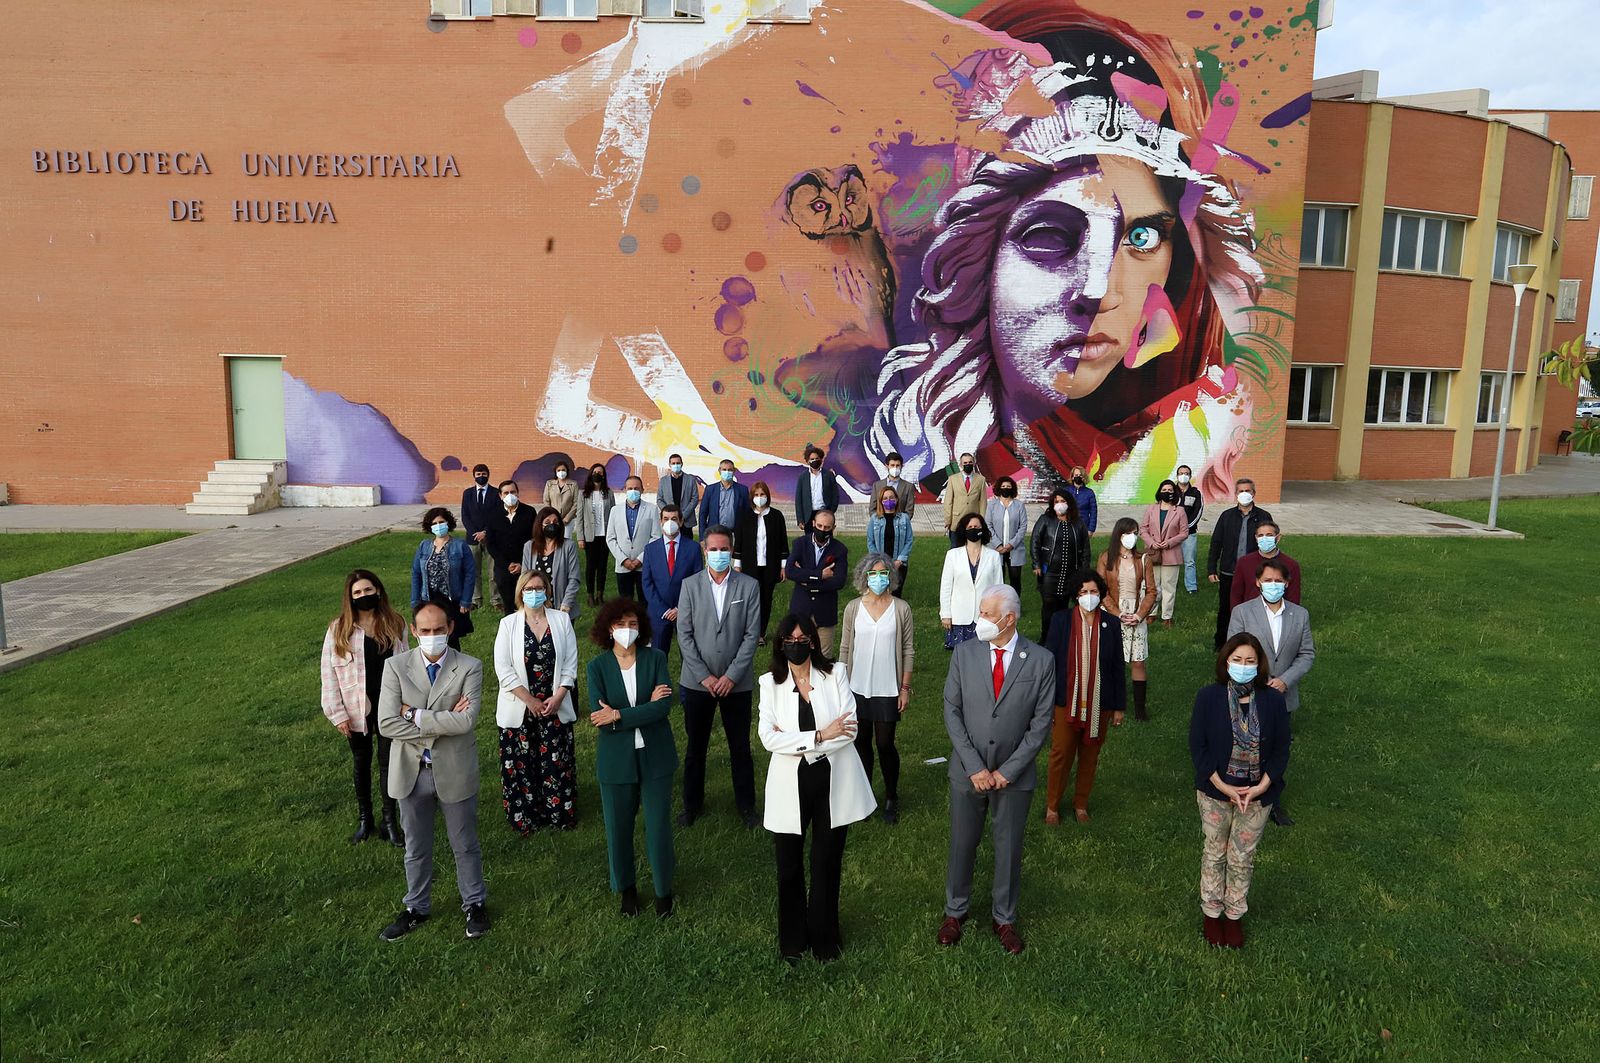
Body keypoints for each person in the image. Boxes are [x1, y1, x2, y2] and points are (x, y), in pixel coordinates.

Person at [861, 5, 1265, 492]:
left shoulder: (1184, 446)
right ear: (973, 263)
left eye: (1142, 237)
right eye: (1049, 237)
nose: (1098, 291)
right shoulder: (926, 470)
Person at [937, 585, 1055, 955]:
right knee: (962, 843)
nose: (980, 620)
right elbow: (951, 711)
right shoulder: (964, 653)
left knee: (1008, 847)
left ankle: (1004, 918)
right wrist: (975, 767)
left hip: (1013, 778)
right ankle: (955, 911)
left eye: (987, 614)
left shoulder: (1040, 660)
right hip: (967, 773)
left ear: (1009, 619)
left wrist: (1009, 771)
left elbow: (1041, 724)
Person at [759, 613, 875, 963]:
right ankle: (793, 941)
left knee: (826, 860)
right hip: (789, 783)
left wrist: (794, 741)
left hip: (832, 778)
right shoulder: (770, 683)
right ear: (781, 644)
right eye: (790, 639)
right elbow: (767, 738)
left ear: (813, 641)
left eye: (803, 638)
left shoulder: (835, 674)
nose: (797, 644)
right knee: (788, 864)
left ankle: (826, 940)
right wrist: (822, 735)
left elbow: (851, 730)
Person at [376, 602, 488, 941]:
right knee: (416, 845)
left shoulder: (470, 666)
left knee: (465, 843)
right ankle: (416, 907)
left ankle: (475, 904)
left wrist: (414, 715)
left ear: (451, 628)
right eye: (424, 631)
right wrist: (442, 720)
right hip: (411, 772)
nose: (432, 636)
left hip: (454, 768)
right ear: (413, 631)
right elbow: (385, 722)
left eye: (439, 630)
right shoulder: (395, 667)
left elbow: (467, 721)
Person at [1189, 632, 1291, 949]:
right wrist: (1223, 786)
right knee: (1215, 852)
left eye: (1250, 661)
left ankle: (1234, 916)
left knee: (1242, 857)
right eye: (1237, 660)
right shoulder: (1208, 697)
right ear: (1226, 662)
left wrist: (1262, 785)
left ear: (1258, 664)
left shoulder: (1273, 701)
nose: (1243, 666)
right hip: (1216, 791)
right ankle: (1211, 913)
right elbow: (1198, 746)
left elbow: (1280, 750)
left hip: (1257, 795)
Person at [587, 597, 678, 918]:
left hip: (657, 757)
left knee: (658, 827)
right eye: (620, 624)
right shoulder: (596, 667)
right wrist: (639, 710)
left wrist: (619, 716)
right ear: (608, 629)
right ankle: (626, 889)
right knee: (618, 828)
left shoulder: (656, 659)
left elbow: (663, 707)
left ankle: (663, 891)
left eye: (633, 624)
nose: (627, 630)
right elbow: (600, 717)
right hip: (616, 761)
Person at [675, 525, 763, 828]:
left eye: (724, 549)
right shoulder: (689, 586)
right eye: (713, 549)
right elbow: (684, 635)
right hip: (697, 682)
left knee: (740, 747)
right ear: (704, 550)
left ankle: (747, 807)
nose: (719, 554)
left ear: (732, 550)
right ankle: (692, 805)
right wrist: (706, 678)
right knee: (695, 748)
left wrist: (730, 676)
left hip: (736, 684)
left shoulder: (749, 586)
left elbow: (752, 636)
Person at [321, 569, 409, 847]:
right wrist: (337, 714)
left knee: (387, 763)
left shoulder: (395, 623)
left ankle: (389, 820)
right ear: (350, 597)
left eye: (368, 590)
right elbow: (329, 673)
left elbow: (406, 666)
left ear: (379, 591)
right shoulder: (339, 629)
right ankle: (365, 820)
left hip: (389, 705)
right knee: (361, 762)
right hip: (354, 706)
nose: (363, 596)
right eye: (357, 593)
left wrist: (407, 705)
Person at [1226, 558, 1314, 826]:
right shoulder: (1243, 612)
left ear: (1286, 584)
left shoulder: (1300, 615)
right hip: (1248, 691)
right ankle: (1238, 793)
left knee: (1276, 748)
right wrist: (1260, 679)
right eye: (1267, 581)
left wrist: (1285, 680)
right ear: (1257, 582)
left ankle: (1273, 801)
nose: (1273, 585)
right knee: (1243, 745)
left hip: (1283, 696)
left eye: (1278, 581)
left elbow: (1306, 654)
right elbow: (1232, 650)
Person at [492, 569, 580, 835]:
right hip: (521, 705)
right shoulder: (508, 624)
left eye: (539, 588)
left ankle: (559, 812)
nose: (534, 593)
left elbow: (570, 663)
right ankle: (526, 816)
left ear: (547, 591)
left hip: (554, 704)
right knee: (522, 763)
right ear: (520, 593)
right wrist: (529, 701)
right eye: (528, 589)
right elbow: (503, 668)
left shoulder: (562, 620)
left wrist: (559, 696)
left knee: (556, 762)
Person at [1043, 569, 1126, 823]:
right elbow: (1050, 661)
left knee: (1090, 755)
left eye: (1093, 592)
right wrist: (1046, 701)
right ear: (1075, 595)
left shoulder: (1111, 624)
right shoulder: (1061, 620)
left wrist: (1119, 706)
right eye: (1083, 593)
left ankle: (1081, 804)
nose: (1088, 596)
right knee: (1061, 753)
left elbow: (1116, 667)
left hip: (1100, 703)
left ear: (1100, 593)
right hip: (1066, 701)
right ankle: (1053, 806)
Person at [838, 555, 914, 823]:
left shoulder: (901, 608)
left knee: (884, 743)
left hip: (888, 687)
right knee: (861, 744)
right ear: (864, 576)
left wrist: (904, 688)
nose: (879, 578)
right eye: (873, 574)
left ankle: (891, 796)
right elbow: (845, 648)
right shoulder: (853, 608)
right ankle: (865, 795)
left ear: (890, 577)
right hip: (857, 686)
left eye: (883, 574)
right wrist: (841, 685)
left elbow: (907, 650)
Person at [1098, 518, 1155, 722]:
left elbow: (1151, 591)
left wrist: (1140, 615)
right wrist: (1118, 613)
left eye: (1135, 532)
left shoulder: (1143, 559)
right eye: (1128, 532)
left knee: (1138, 662)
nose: (1133, 536)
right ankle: (1117, 707)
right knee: (1116, 662)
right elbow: (1101, 590)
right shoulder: (1106, 558)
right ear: (1119, 534)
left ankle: (1140, 709)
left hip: (1137, 612)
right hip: (1115, 613)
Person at [1207, 478, 1274, 650]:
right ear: (1235, 494)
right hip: (1230, 571)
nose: (1244, 494)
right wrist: (1212, 567)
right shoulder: (1227, 516)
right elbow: (1216, 542)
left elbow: (1270, 543)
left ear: (1254, 494)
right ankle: (1222, 642)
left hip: (1255, 573)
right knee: (1226, 609)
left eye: (1248, 491)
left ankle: (1255, 641)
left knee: (1256, 608)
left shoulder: (1264, 516)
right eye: (1241, 491)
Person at [641, 503, 704, 655]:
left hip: (686, 611)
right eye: (666, 519)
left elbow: (698, 581)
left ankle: (687, 680)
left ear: (681, 522)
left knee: (689, 654)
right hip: (658, 612)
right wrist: (663, 609)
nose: (670, 523)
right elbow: (647, 583)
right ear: (661, 522)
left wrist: (680, 608)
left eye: (674, 519)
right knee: (658, 655)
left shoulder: (693, 548)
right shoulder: (650, 549)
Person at [410, 507, 477, 649]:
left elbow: (470, 574)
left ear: (448, 523)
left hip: (452, 600)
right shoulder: (424, 546)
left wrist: (466, 601)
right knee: (431, 639)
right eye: (434, 524)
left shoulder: (460, 546)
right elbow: (416, 573)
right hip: (429, 599)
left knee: (451, 639)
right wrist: (415, 601)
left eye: (441, 522)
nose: (438, 526)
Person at [785, 509, 849, 654]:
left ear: (833, 527)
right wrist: (819, 575)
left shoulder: (840, 550)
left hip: (825, 612)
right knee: (797, 654)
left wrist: (807, 581)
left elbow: (839, 581)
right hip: (801, 609)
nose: (822, 530)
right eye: (819, 526)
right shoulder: (800, 544)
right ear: (813, 523)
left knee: (823, 659)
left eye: (827, 527)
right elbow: (789, 571)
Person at [1031, 488, 1091, 643]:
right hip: (1050, 572)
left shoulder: (1078, 523)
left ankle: (1061, 639)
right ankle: (1045, 639)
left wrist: (1084, 572)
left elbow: (1085, 549)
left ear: (1069, 503)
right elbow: (1035, 541)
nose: (1060, 504)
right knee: (1048, 607)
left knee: (1063, 608)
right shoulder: (1045, 519)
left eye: (1063, 501)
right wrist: (1036, 564)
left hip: (1071, 573)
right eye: (1056, 501)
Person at [734, 483, 789, 645]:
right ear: (752, 497)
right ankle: (748, 632)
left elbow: (783, 542)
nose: (759, 498)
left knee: (765, 600)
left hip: (770, 565)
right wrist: (737, 564)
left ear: (767, 496)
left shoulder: (777, 516)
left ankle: (760, 634)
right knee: (750, 600)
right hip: (750, 565)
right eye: (756, 495)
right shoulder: (744, 516)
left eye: (762, 494)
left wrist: (783, 565)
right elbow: (739, 542)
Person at [940, 512, 1004, 650]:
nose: (974, 529)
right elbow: (946, 587)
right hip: (959, 616)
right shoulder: (952, 555)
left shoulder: (993, 556)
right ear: (964, 530)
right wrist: (945, 614)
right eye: (970, 527)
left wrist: (998, 615)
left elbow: (998, 588)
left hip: (984, 617)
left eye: (977, 526)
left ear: (983, 529)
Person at [1139, 479, 1189, 628]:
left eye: (1170, 490)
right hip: (1153, 552)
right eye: (1164, 490)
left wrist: (1169, 542)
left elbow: (1184, 532)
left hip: (1171, 553)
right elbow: (1143, 529)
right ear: (1159, 491)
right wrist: (1151, 543)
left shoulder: (1179, 511)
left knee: (1169, 586)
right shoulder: (1151, 509)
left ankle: (1167, 616)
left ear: (1174, 492)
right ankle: (1151, 613)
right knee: (1153, 585)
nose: (1167, 492)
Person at [483, 479, 537, 618]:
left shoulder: (529, 512)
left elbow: (534, 540)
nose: (510, 495)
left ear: (518, 493)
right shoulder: (492, 514)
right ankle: (511, 633)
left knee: (527, 603)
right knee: (509, 605)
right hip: (503, 567)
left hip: (525, 566)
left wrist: (522, 564)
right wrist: (507, 564)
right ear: (500, 496)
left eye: (512, 492)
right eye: (506, 493)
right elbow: (491, 544)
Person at [519, 506, 582, 620]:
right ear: (540, 526)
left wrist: (566, 604)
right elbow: (525, 577)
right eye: (547, 522)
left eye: (555, 522)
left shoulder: (569, 546)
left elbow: (574, 578)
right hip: (536, 605)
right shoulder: (529, 546)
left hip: (562, 607)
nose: (552, 525)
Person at [606, 475, 660, 603]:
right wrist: (623, 559)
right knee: (625, 601)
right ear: (625, 489)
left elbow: (656, 536)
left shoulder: (652, 509)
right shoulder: (615, 511)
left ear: (642, 490)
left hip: (643, 564)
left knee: (645, 600)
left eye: (636, 488)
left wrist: (639, 560)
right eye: (630, 488)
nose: (633, 491)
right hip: (623, 565)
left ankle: (645, 623)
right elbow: (610, 538)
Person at [1228, 521, 1302, 610]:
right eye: (1260, 535)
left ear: (1278, 538)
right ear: (1256, 538)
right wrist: (1237, 615)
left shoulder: (1291, 565)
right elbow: (1236, 593)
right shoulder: (1244, 562)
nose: (1264, 538)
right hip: (1250, 614)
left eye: (1269, 535)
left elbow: (1293, 597)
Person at [460, 463, 499, 612]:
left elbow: (497, 516)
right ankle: (476, 599)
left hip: (491, 538)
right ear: (474, 476)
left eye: (483, 474)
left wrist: (486, 532)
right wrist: (474, 533)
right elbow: (465, 516)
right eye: (478, 474)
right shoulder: (467, 493)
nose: (481, 476)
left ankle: (496, 600)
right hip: (472, 539)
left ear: (488, 475)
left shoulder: (496, 493)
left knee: (493, 571)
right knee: (473, 572)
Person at [865, 484, 914, 598]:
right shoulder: (875, 519)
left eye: (892, 497)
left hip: (899, 564)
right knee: (880, 594)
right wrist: (879, 561)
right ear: (881, 501)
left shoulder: (904, 518)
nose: (889, 501)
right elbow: (870, 541)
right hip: (879, 563)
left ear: (896, 499)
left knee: (896, 594)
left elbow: (909, 540)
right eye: (885, 498)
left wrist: (900, 560)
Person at [576, 465, 616, 606]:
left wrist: (614, 535)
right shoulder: (583, 494)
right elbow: (579, 516)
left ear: (604, 475)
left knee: (602, 566)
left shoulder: (609, 493)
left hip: (605, 535)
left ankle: (600, 594)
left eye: (600, 472)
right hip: (590, 536)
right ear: (590, 474)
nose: (597, 474)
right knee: (591, 566)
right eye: (595, 472)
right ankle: (590, 595)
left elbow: (613, 515)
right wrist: (580, 537)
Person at [985, 475, 1029, 593]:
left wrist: (1011, 544)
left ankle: (1014, 607)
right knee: (998, 580)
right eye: (1003, 486)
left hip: (1015, 549)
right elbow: (988, 526)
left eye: (1008, 486)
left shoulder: (1019, 505)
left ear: (1012, 489)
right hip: (996, 549)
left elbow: (1023, 526)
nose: (1006, 488)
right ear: (999, 488)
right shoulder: (991, 505)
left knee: (1015, 580)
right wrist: (998, 545)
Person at [942, 452, 988, 547]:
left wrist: (982, 520)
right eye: (965, 463)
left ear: (974, 463)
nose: (968, 464)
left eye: (970, 462)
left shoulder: (981, 479)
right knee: (955, 548)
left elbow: (983, 501)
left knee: (973, 547)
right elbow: (948, 501)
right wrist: (948, 520)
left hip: (973, 522)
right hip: (956, 521)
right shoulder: (952, 479)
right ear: (961, 464)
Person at [656, 454, 704, 541]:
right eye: (673, 463)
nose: (676, 465)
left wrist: (683, 515)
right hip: (669, 521)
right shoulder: (663, 481)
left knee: (687, 544)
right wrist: (669, 513)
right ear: (669, 465)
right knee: (670, 544)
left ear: (682, 464)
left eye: (678, 463)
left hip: (686, 520)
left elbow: (695, 498)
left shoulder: (690, 479)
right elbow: (659, 499)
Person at [698, 458, 751, 535]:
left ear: (734, 471)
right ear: (719, 471)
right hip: (714, 533)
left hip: (735, 534)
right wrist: (702, 536)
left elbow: (747, 513)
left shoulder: (742, 490)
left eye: (730, 470)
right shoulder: (710, 489)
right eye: (724, 469)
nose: (727, 472)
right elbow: (703, 514)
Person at [794, 443, 841, 529]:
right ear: (807, 461)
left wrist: (831, 511)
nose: (815, 461)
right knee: (809, 540)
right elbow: (799, 499)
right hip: (808, 515)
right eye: (812, 459)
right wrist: (800, 519)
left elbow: (835, 494)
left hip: (824, 513)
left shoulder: (829, 475)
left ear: (821, 460)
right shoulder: (803, 477)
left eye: (817, 458)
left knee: (825, 538)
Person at [1175, 464, 1205, 594]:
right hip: (1171, 534)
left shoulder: (1196, 493)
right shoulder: (1171, 492)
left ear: (1190, 476)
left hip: (1189, 534)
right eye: (1181, 473)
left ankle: (1191, 587)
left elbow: (1197, 513)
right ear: (1177, 476)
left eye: (1186, 473)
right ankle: (1170, 586)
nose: (1183, 476)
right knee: (1170, 561)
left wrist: (1185, 528)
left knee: (1189, 562)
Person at [869, 451, 916, 515]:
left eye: (897, 465)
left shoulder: (909, 487)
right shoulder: (877, 486)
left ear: (902, 466)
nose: (895, 468)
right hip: (881, 523)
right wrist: (879, 522)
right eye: (892, 465)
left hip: (900, 523)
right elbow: (872, 509)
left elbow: (909, 511)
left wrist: (901, 522)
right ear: (887, 466)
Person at [1065, 464, 1098, 542]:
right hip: (1068, 525)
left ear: (1083, 478)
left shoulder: (1089, 493)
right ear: (1072, 477)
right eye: (1076, 475)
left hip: (1083, 526)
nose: (1078, 477)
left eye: (1080, 475)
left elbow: (1093, 512)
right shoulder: (1066, 491)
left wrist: (1091, 529)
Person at [542, 460, 578, 529]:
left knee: (566, 539)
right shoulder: (549, 484)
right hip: (553, 520)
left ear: (567, 471)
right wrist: (552, 516)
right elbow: (546, 501)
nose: (561, 472)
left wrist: (566, 519)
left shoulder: (573, 484)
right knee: (554, 538)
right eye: (558, 470)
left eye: (563, 470)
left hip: (568, 521)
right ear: (555, 472)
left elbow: (576, 503)